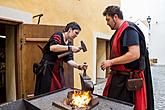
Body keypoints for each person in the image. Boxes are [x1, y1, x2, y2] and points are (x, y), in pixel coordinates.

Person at [100, 6, 154, 110]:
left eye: (108, 19)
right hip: (119, 79)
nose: (107, 23)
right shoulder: (119, 31)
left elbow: (134, 54)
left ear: (115, 17)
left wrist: (111, 62)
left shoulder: (129, 30)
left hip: (127, 82)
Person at [34, 22, 87, 96]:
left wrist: (79, 66)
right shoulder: (58, 35)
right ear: (70, 30)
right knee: (46, 92)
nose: (76, 35)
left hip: (58, 70)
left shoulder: (69, 43)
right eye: (76, 33)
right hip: (47, 69)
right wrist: (70, 48)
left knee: (59, 91)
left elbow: (69, 60)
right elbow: (53, 47)